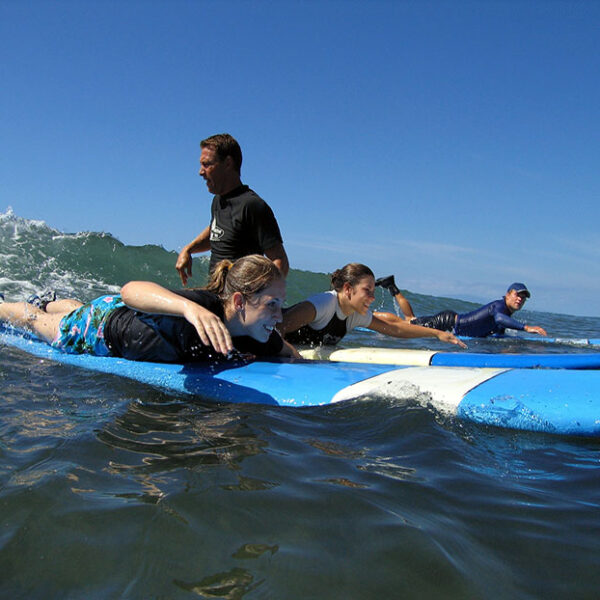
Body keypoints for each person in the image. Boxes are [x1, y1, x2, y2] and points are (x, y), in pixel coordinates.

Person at [0, 255, 298, 363]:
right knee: (36, 321)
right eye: (272, 305)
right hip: (100, 330)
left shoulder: (257, 334)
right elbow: (130, 291)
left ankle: (51, 298)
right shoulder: (204, 308)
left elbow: (286, 351)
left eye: (280, 305)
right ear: (238, 302)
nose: (279, 316)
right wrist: (189, 309)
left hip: (121, 313)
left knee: (77, 308)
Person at [175, 133, 289, 285]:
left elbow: (279, 260)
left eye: (207, 164)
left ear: (228, 163)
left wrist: (257, 297)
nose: (201, 172)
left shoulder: (252, 205)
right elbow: (218, 230)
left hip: (237, 301)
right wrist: (188, 249)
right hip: (214, 293)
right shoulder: (218, 201)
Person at [280, 263, 467, 348]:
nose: (372, 298)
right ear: (348, 288)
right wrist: (289, 354)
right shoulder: (324, 303)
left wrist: (437, 334)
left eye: (373, 291)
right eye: (366, 291)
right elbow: (278, 327)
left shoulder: (355, 314)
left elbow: (395, 328)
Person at [376, 276, 547, 338]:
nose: (520, 299)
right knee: (402, 324)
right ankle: (370, 316)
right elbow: (500, 319)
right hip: (447, 324)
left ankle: (392, 287)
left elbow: (498, 326)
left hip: (449, 321)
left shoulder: (504, 311)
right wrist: (526, 328)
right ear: (508, 294)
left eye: (523, 298)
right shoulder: (499, 307)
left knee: (410, 320)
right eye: (517, 295)